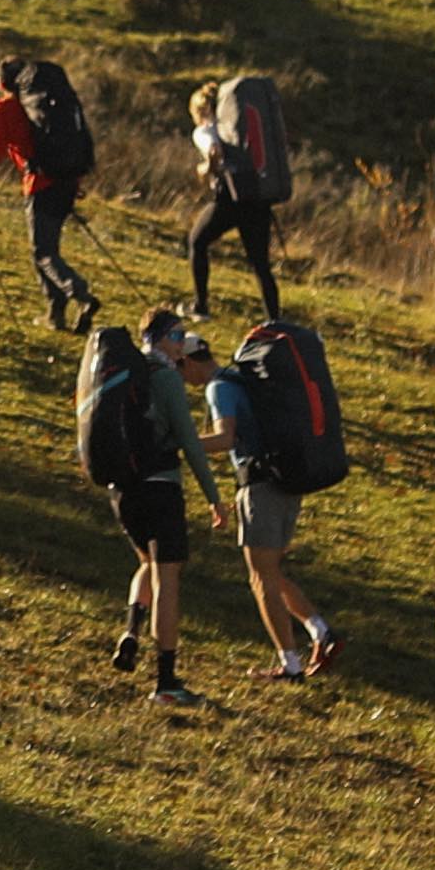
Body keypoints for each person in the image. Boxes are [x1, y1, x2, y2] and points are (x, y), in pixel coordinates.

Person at [100, 312, 233, 709]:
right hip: (160, 488)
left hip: (122, 492)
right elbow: (190, 443)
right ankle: (166, 681)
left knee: (146, 563)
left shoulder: (124, 373)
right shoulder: (165, 377)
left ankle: (131, 631)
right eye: (177, 336)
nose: (182, 343)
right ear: (159, 339)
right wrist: (213, 497)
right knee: (168, 579)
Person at [207, 335, 342, 680]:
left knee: (260, 576)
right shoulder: (249, 381)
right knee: (271, 570)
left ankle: (289, 664)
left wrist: (176, 441)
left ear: (188, 363)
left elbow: (225, 438)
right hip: (287, 480)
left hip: (259, 485)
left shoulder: (219, 387)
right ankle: (320, 631)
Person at [0, 60, 96, 332]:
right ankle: (55, 314)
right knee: (47, 249)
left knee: (43, 252)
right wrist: (74, 180)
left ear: (1, 83)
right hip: (66, 182)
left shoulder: (2, 109)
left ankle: (80, 294)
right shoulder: (48, 106)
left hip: (40, 185)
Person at [188, 78, 283, 326]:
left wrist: (206, 168)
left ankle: (200, 305)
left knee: (197, 242)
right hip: (256, 197)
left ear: (199, 111)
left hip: (229, 200)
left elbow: (213, 152)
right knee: (260, 264)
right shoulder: (234, 126)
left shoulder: (203, 131)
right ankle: (274, 320)